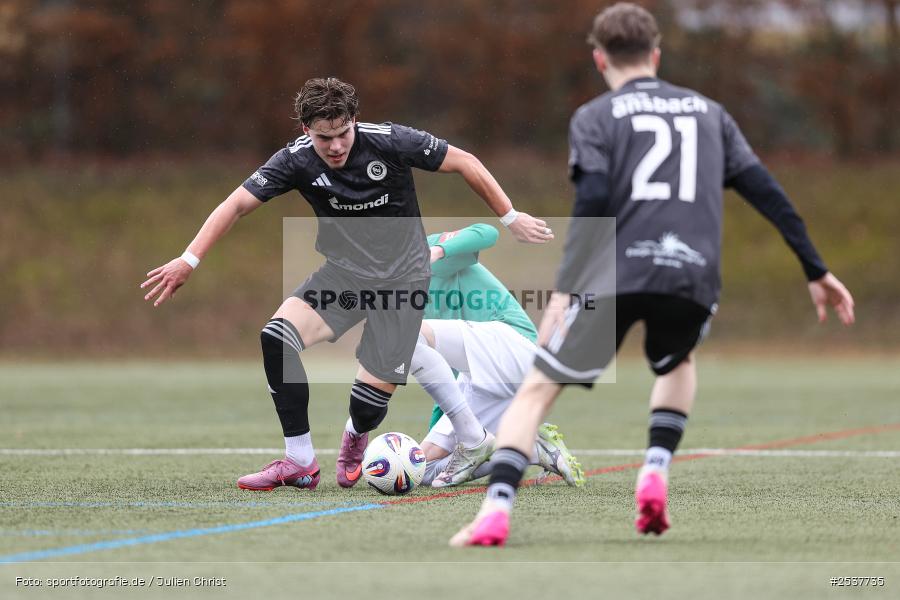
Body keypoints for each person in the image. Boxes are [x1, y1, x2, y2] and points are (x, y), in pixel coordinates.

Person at [450, 3, 855, 547]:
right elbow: (768, 194)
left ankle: (495, 512)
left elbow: (593, 202)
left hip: (614, 276)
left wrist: (564, 289)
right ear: (656, 54)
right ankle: (655, 470)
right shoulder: (711, 113)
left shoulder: (594, 117)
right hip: (690, 275)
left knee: (538, 390)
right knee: (677, 360)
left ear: (599, 59)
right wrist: (816, 268)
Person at [140, 77, 552, 492]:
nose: (335, 146)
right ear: (306, 131)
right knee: (276, 338)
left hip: (403, 283)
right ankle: (299, 462)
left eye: (342, 134)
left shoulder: (391, 141)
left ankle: (356, 434)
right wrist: (189, 260)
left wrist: (510, 216)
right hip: (344, 276)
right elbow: (236, 205)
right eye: (324, 138)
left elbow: (466, 162)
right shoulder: (295, 160)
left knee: (367, 405)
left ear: (355, 120)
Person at [408, 223, 585, 487]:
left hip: (516, 349)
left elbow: (486, 232)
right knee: (423, 469)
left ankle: (477, 440)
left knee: (404, 335)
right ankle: (533, 450)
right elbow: (446, 377)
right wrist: (444, 430)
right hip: (483, 374)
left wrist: (437, 250)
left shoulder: (421, 254)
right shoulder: (405, 299)